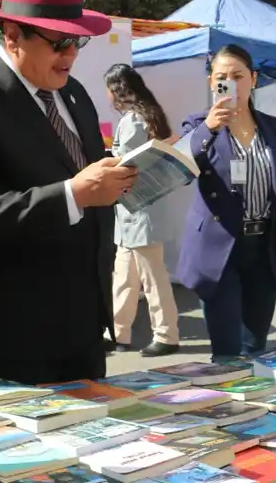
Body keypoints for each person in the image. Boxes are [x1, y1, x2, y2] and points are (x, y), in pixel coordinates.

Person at [0, 0, 137, 385]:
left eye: (77, 41)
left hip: (81, 325)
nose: (71, 55)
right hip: (7, 332)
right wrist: (74, 195)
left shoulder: (73, 92)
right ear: (11, 36)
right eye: (59, 43)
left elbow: (83, 173)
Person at [176, 45, 276, 359]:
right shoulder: (198, 125)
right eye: (222, 77)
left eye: (238, 75)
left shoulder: (270, 126)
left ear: (253, 80)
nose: (231, 82)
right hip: (220, 249)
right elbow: (183, 167)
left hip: (262, 246)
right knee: (227, 353)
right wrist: (210, 127)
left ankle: (256, 407)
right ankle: (225, 407)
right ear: (211, 83)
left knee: (256, 347)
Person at [103, 63, 181, 357]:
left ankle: (166, 335)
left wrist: (108, 157)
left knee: (153, 278)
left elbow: (129, 162)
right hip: (135, 213)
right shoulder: (147, 116)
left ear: (118, 90)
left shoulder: (133, 120)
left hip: (139, 210)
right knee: (124, 278)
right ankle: (117, 332)